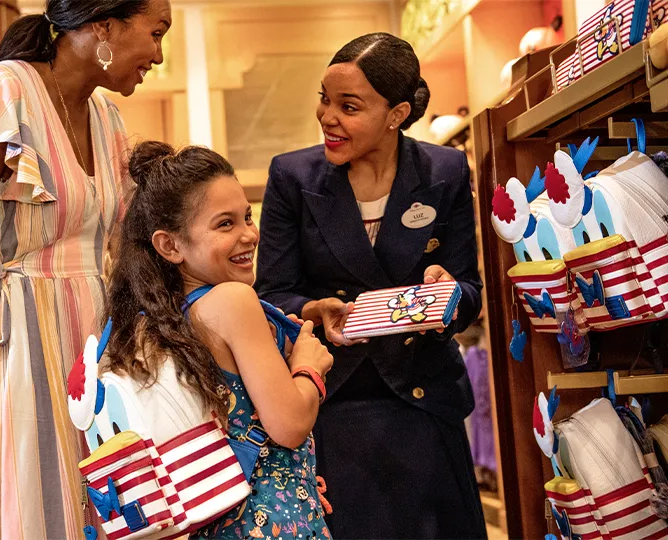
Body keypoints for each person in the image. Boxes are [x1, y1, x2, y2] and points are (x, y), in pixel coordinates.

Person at [0, 0, 171, 537]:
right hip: (9, 355)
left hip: (87, 361)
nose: (159, 55)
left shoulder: (106, 116)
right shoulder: (0, 93)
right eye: (156, 33)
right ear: (105, 25)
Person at [255, 32, 488, 539]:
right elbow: (271, 295)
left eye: (348, 106)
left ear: (396, 113)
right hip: (332, 405)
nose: (326, 116)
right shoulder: (293, 177)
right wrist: (314, 309)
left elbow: (469, 291)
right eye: (324, 98)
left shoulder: (444, 170)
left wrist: (447, 294)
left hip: (424, 403)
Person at [105, 141, 334, 539]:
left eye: (247, 216)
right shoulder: (234, 301)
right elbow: (290, 424)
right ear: (169, 245)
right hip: (269, 520)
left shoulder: (151, 319)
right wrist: (308, 368)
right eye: (225, 224)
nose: (249, 234)